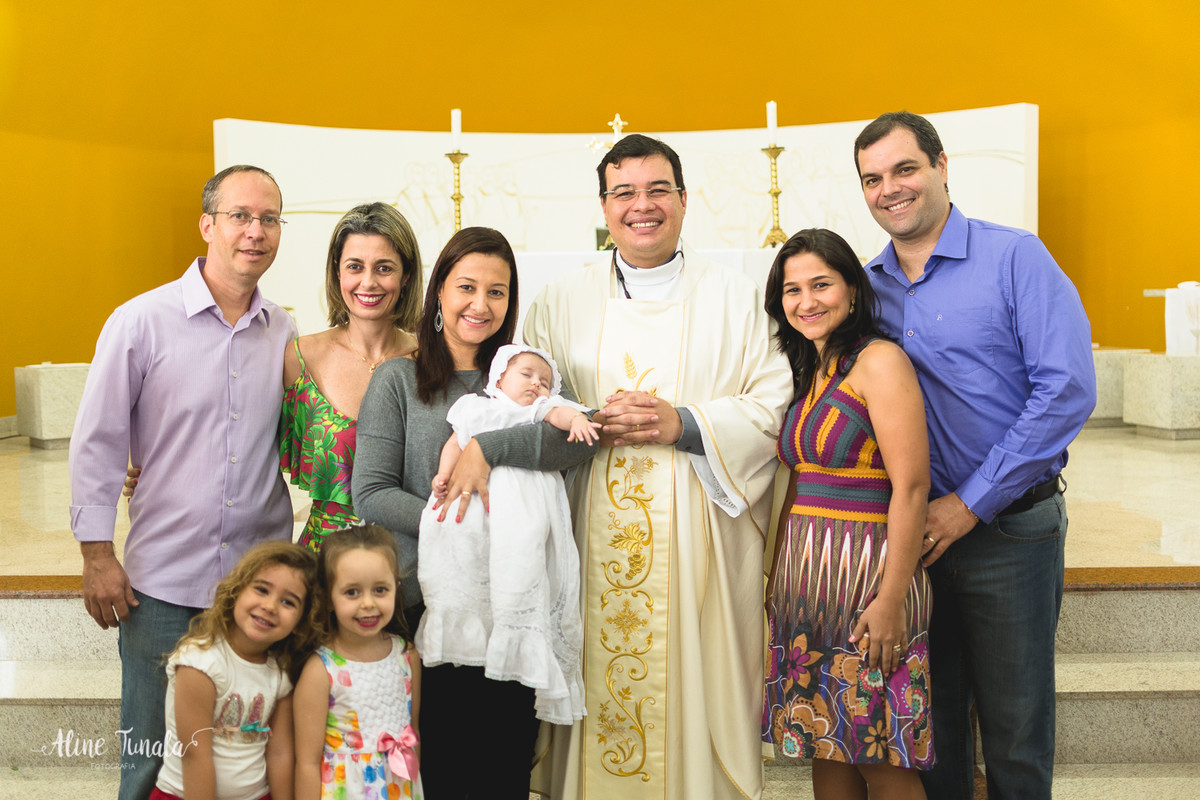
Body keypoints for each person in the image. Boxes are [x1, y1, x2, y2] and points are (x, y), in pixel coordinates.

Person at [523, 133, 794, 800]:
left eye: (656, 191)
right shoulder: (560, 299)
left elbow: (774, 401)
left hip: (697, 536)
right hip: (588, 535)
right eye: (624, 193)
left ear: (682, 199)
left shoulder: (736, 298)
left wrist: (687, 423)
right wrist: (575, 417)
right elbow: (524, 397)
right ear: (604, 206)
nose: (641, 207)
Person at [853, 111, 1097, 800]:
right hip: (912, 539)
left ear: (941, 166)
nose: (890, 189)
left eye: (905, 169)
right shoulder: (865, 288)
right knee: (932, 732)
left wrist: (969, 503)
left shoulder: (1015, 257)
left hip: (1009, 530)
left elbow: (1067, 389)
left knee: (1016, 731)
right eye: (873, 179)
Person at [69, 165, 296, 800]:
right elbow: (100, 440)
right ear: (207, 224)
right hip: (164, 585)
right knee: (149, 756)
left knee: (248, 758)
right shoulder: (140, 322)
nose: (256, 231)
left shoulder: (284, 331)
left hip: (256, 585)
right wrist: (95, 554)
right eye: (240, 216)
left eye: (270, 218)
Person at [351, 226, 593, 799]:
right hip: (424, 602)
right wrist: (460, 523)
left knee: (503, 768)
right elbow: (373, 493)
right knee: (438, 772)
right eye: (466, 287)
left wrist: (486, 448)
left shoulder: (528, 380)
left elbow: (572, 445)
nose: (479, 305)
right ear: (438, 292)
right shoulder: (399, 380)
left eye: (497, 292)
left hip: (513, 602)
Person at [761, 229, 932, 800]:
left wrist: (891, 599)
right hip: (807, 583)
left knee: (880, 751)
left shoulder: (879, 361)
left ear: (853, 291)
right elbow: (797, 481)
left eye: (821, 285)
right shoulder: (811, 368)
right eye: (792, 290)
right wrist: (775, 580)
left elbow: (911, 487)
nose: (805, 301)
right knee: (825, 748)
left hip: (868, 577)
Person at [418, 343, 598, 725]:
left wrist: (577, 420)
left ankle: (517, 632)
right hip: (474, 508)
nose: (536, 384)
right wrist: (444, 474)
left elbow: (562, 413)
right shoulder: (477, 408)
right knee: (464, 553)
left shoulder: (537, 412)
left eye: (544, 380)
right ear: (498, 377)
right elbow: (456, 442)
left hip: (527, 510)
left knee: (523, 556)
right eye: (526, 374)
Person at [280, 202, 423, 550]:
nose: (368, 282)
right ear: (337, 272)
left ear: (405, 276)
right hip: (322, 563)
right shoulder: (300, 358)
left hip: (408, 562)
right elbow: (244, 443)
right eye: (355, 267)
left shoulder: (430, 364)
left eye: (384, 268)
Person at [152, 542, 319, 800]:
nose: (270, 606)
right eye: (262, 589)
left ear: (300, 622)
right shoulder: (201, 662)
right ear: (236, 592)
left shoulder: (279, 673)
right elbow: (194, 754)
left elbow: (280, 753)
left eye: (288, 602)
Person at [293, 525, 424, 800]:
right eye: (352, 592)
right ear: (328, 597)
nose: (368, 604)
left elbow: (413, 734)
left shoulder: (406, 655)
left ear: (395, 589)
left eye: (380, 590)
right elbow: (306, 761)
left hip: (398, 787)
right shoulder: (322, 669)